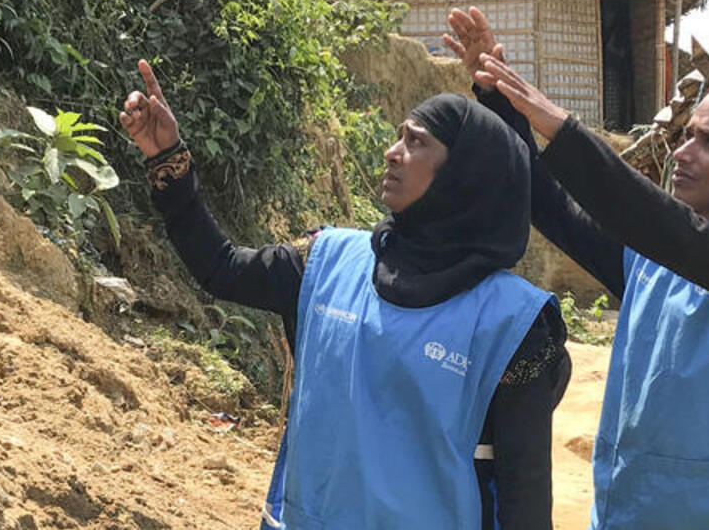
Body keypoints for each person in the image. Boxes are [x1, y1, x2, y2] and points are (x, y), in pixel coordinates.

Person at [117, 59, 570, 530]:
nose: (393, 152)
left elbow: (524, 494)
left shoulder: (513, 325)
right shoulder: (326, 262)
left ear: (465, 174)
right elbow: (221, 268)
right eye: (399, 136)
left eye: (416, 141)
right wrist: (165, 155)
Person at [441, 8, 709, 530]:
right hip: (623, 514)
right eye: (687, 136)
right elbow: (547, 202)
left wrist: (565, 130)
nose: (682, 154)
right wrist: (497, 96)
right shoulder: (648, 262)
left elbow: (680, 237)